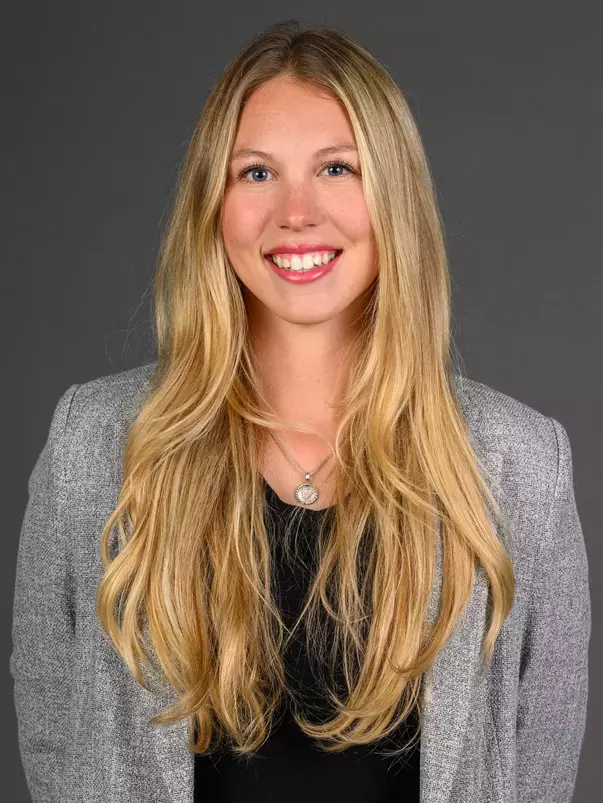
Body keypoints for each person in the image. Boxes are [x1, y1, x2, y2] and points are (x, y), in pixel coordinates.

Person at [10, 20, 590, 803]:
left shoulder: (520, 462)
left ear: (394, 197)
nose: (296, 212)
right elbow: (52, 726)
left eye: (336, 168)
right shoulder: (95, 442)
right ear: (212, 203)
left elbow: (538, 756)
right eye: (255, 173)